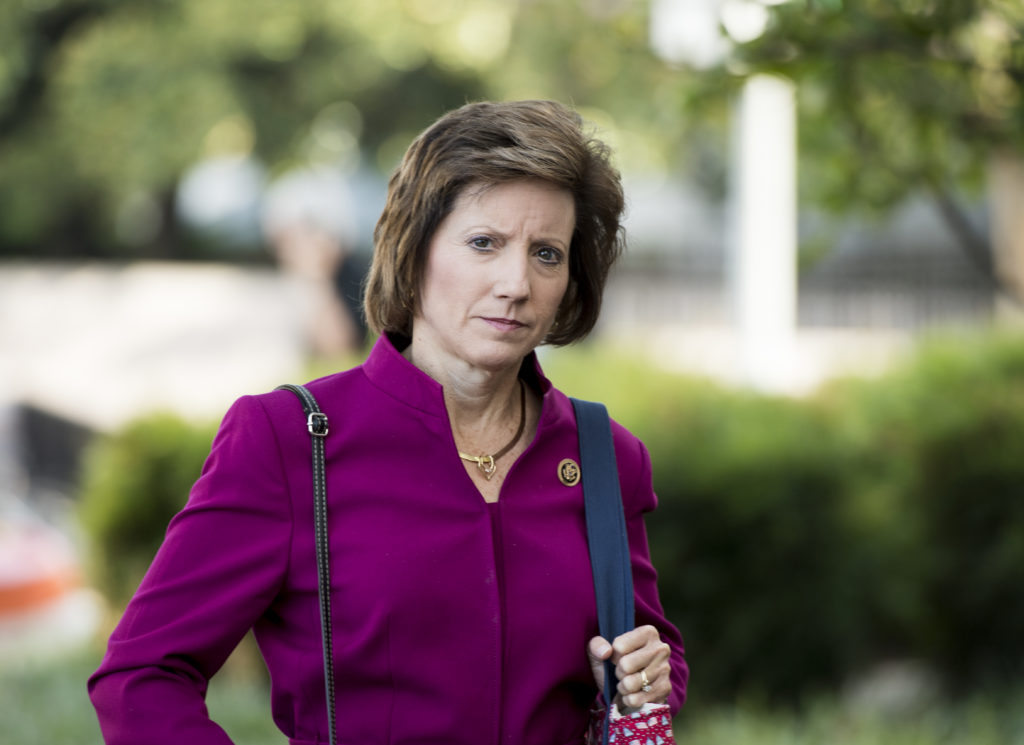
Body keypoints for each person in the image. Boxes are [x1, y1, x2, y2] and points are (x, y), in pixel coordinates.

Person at [88, 99, 688, 745]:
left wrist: (651, 673)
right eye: (484, 243)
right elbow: (141, 676)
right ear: (414, 249)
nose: (516, 282)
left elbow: (651, 655)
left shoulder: (603, 455)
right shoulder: (288, 440)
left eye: (547, 253)